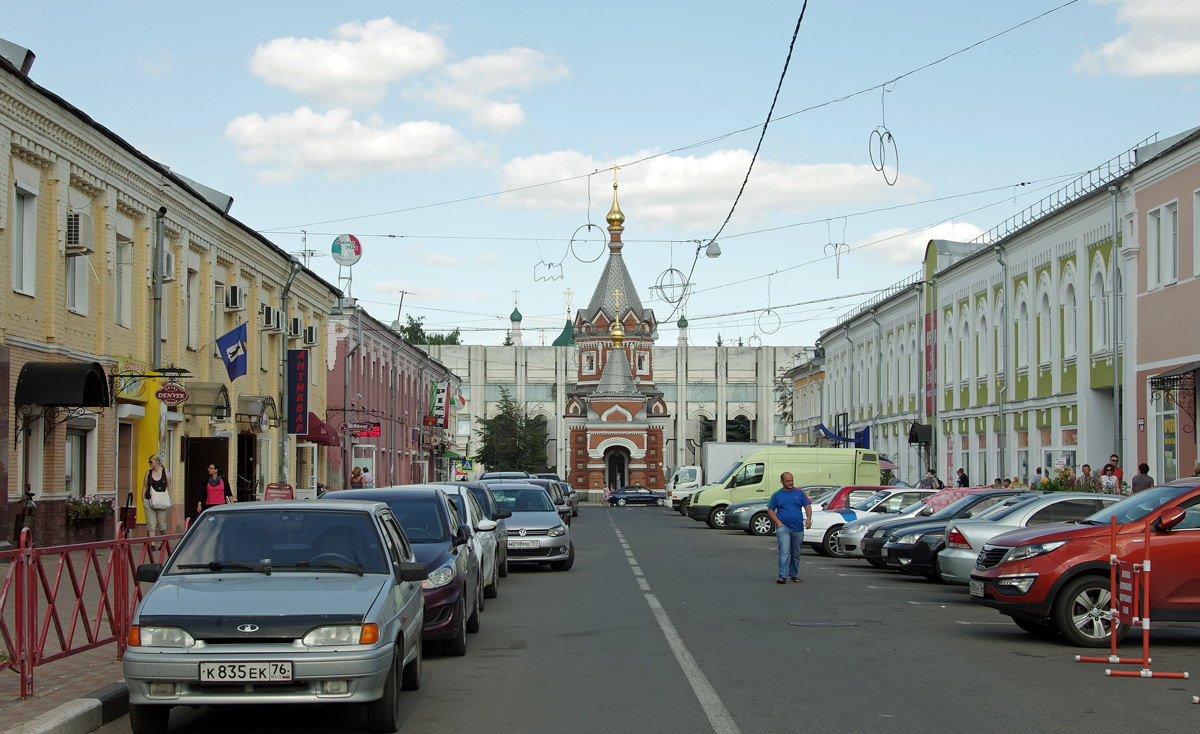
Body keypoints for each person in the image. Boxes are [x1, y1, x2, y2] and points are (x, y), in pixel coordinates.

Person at [766, 472, 812, 584]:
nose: (790, 483)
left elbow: (807, 506)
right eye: (788, 481)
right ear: (782, 482)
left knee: (796, 552)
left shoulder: (800, 493)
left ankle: (794, 574)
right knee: (784, 551)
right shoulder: (777, 495)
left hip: (798, 528)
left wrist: (808, 519)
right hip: (784, 528)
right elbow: (770, 510)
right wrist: (778, 522)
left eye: (791, 480)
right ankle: (782, 576)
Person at [142, 455, 172, 547]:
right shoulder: (148, 473)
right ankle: (152, 544)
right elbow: (145, 486)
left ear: (157, 462)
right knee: (151, 523)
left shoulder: (165, 472)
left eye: (151, 462)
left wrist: (168, 495)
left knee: (161, 524)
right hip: (149, 499)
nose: (150, 464)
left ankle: (164, 541)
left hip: (161, 500)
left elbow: (169, 485)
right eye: (149, 462)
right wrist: (143, 497)